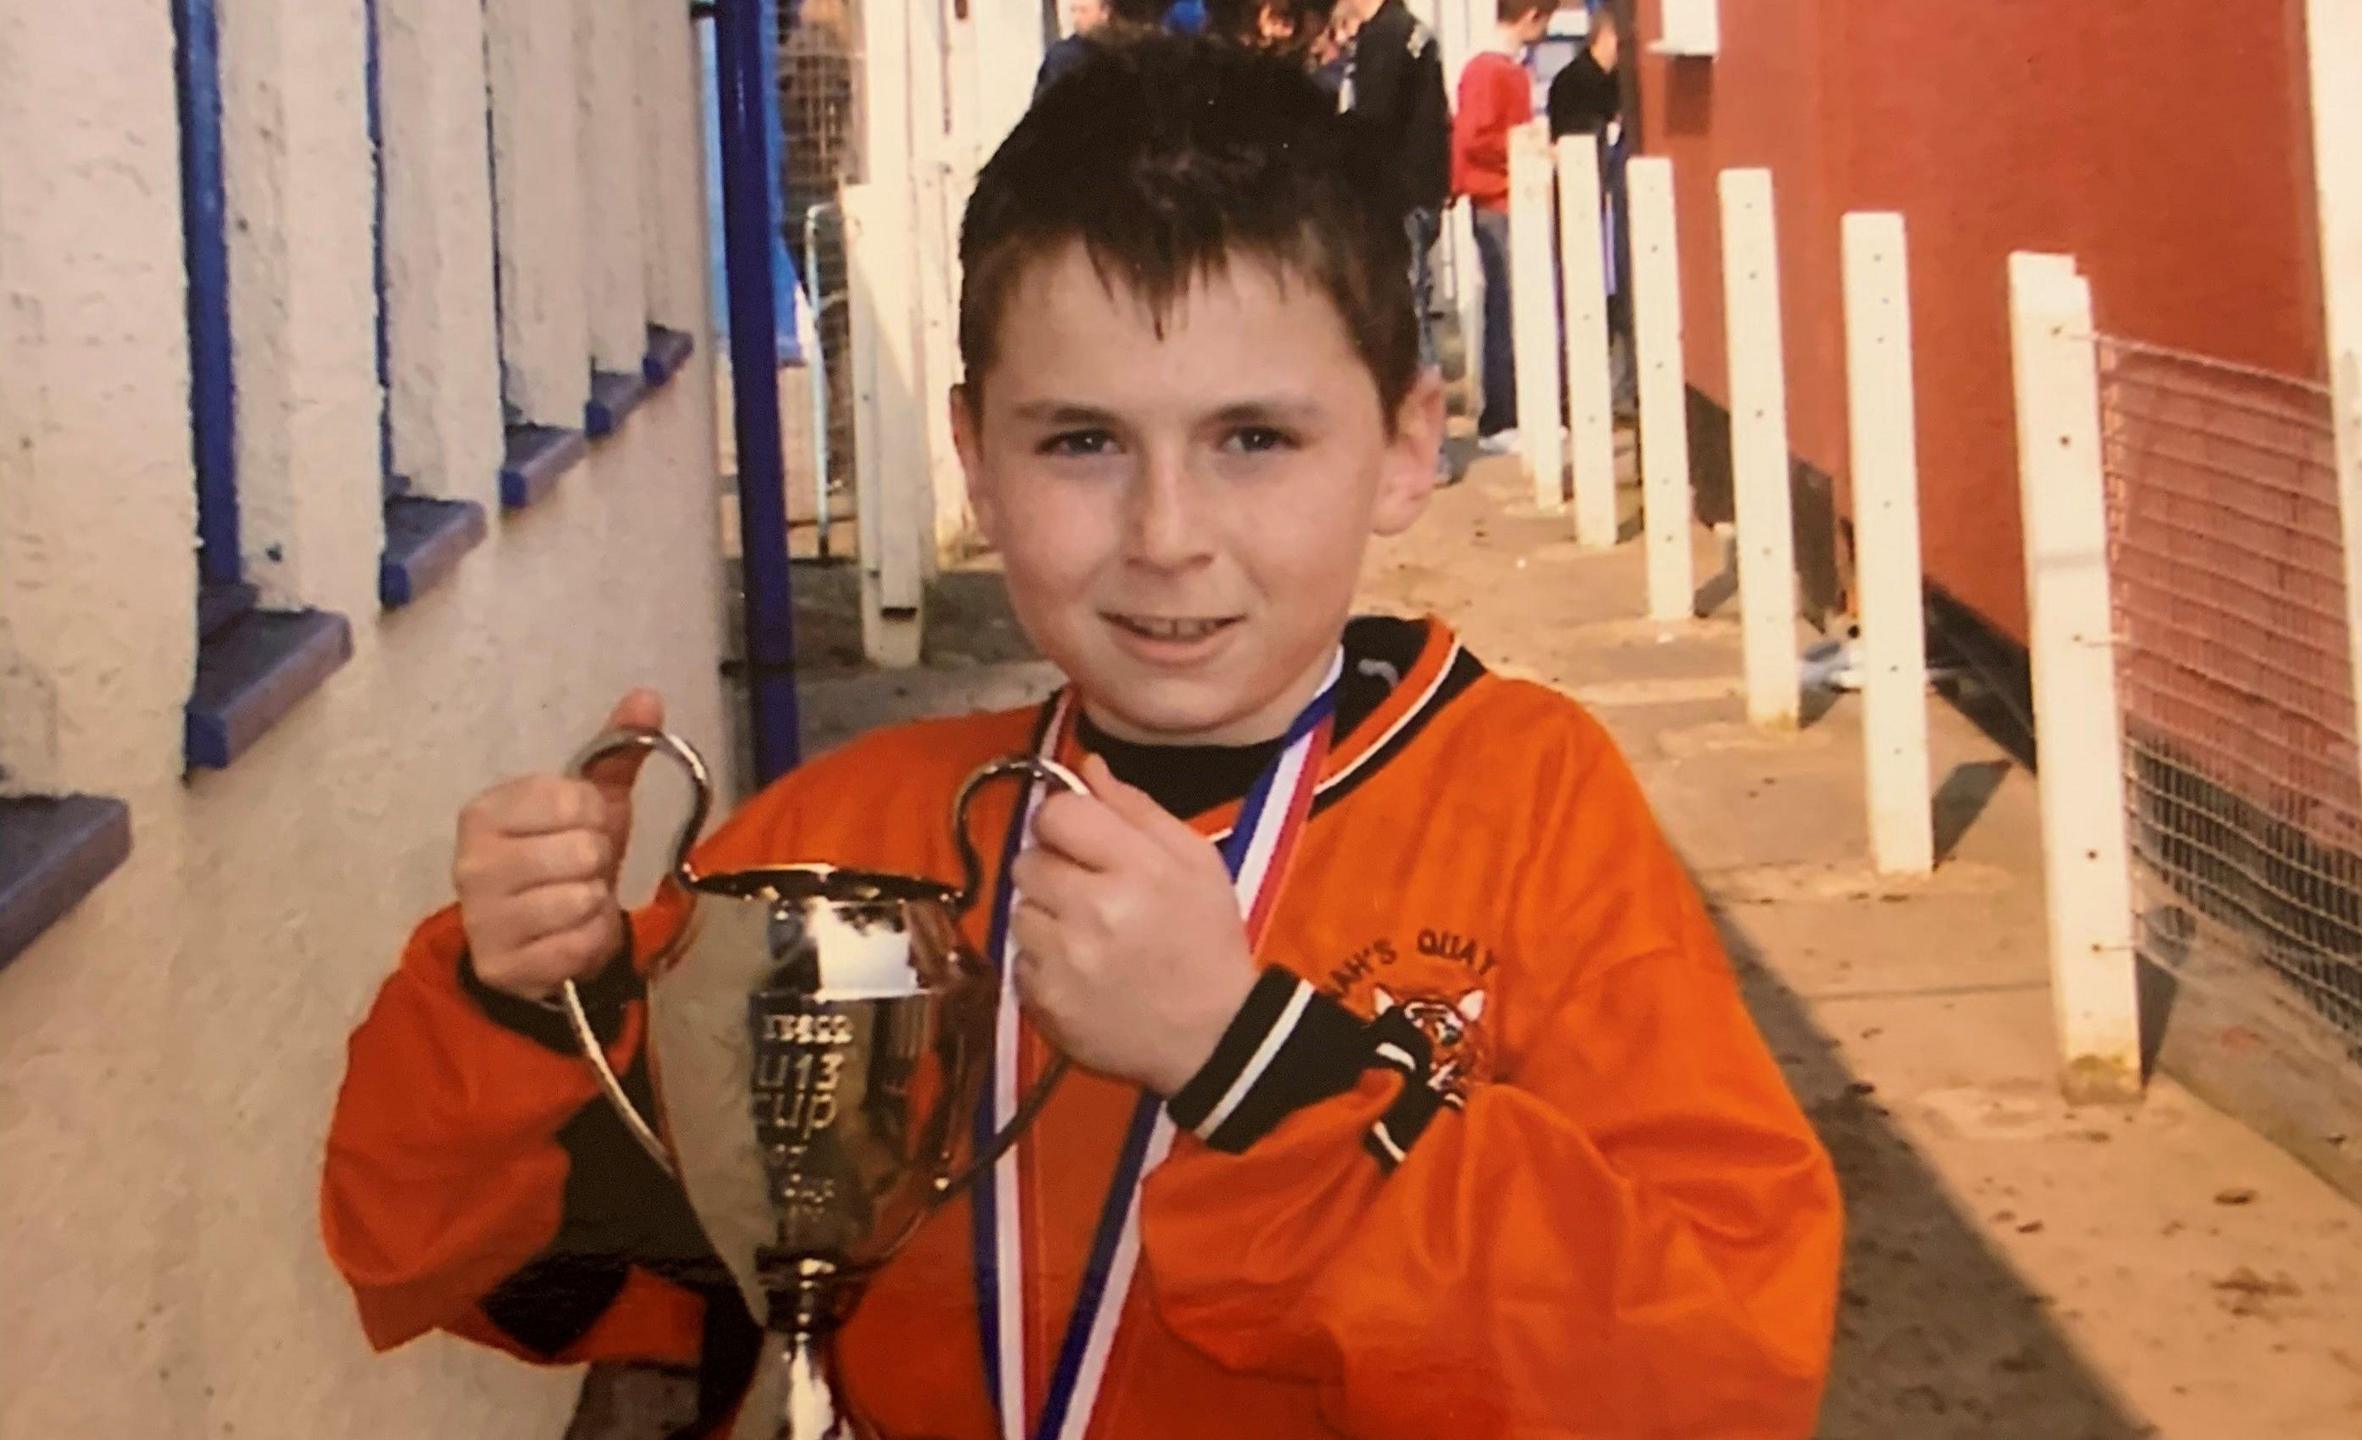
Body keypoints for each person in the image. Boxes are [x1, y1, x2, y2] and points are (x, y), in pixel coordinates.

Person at [322, 33, 1840, 1440]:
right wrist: (529, 1002)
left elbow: (1717, 1373)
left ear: (1407, 444)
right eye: (1083, 442)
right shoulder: (846, 841)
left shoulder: (1526, 807)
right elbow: (528, 1277)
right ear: (976, 455)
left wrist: (1252, 1063)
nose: (1167, 536)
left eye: (1255, 439)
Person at [1335, 0, 1456, 478]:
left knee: (1408, 318)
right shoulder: (1415, 33)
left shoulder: (1384, 38)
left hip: (1396, 198)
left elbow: (1371, 124)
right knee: (1412, 311)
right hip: (1420, 193)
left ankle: (1432, 451)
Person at [1449, 0, 1555, 455]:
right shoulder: (1492, 70)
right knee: (1507, 306)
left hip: (1508, 197)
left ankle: (1515, 411)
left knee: (1514, 305)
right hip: (1499, 199)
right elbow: (1475, 138)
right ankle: (1501, 416)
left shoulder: (1498, 67)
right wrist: (1526, 151)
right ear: (1531, 15)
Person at [1544, 0, 1636, 415]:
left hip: (1609, 201)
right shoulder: (1576, 82)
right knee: (1585, 296)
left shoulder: (1604, 81)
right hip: (1584, 200)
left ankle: (1614, 390)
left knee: (1612, 298)